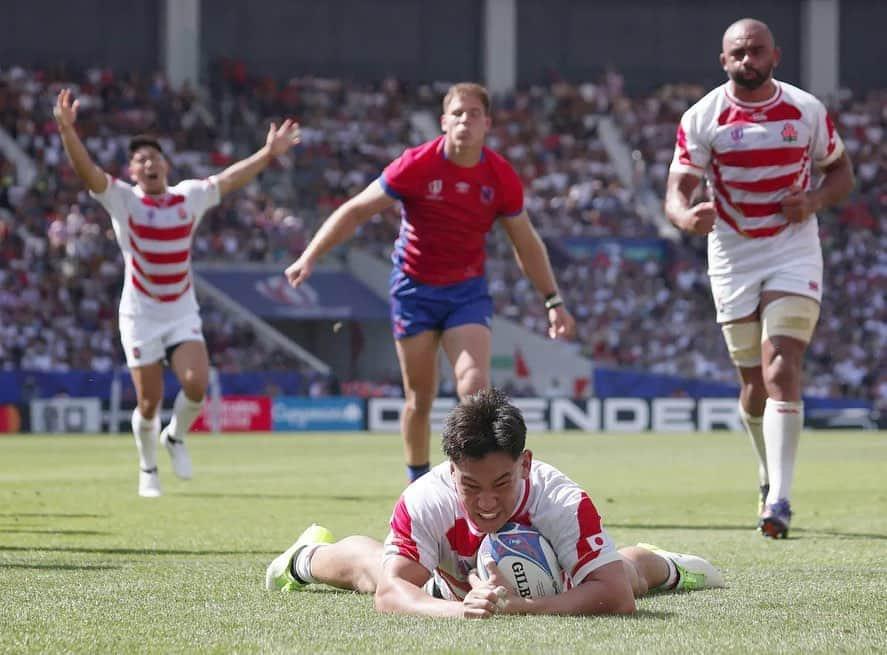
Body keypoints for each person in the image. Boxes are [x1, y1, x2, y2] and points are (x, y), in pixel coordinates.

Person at [284, 83, 576, 482]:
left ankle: (472, 479)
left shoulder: (500, 176)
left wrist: (552, 300)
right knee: (419, 399)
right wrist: (310, 255)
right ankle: (418, 485)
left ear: (487, 123)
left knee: (475, 387)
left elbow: (525, 242)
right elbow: (355, 211)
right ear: (444, 121)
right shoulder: (416, 165)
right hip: (413, 290)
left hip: (466, 293)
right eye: (457, 113)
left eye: (474, 114)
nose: (465, 121)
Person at [265, 388, 724, 618]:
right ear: (450, 470)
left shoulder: (561, 499)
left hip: (556, 582)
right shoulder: (426, 498)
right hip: (456, 586)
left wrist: (531, 610)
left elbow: (617, 598)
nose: (486, 503)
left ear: (525, 463)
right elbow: (392, 594)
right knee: (372, 571)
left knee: (629, 575)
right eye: (470, 485)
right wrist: (459, 611)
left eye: (501, 483)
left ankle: (667, 564)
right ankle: (304, 557)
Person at [53, 88, 300, 497]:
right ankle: (148, 468)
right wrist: (66, 130)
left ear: (165, 165)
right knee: (148, 402)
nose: (149, 163)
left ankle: (176, 437)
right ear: (133, 171)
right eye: (140, 159)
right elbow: (87, 171)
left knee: (196, 383)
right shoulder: (124, 200)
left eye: (154, 157)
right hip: (140, 313)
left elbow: (230, 178)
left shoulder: (188, 196)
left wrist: (268, 153)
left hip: (181, 309)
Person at [664, 19, 855, 538]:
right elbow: (677, 188)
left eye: (756, 51)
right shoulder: (704, 116)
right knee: (752, 387)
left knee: (781, 365)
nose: (748, 60)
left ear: (776, 55)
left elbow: (841, 173)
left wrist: (813, 201)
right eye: (738, 54)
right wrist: (685, 217)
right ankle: (766, 474)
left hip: (793, 250)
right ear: (723, 61)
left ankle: (781, 501)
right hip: (731, 254)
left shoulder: (806, 110)